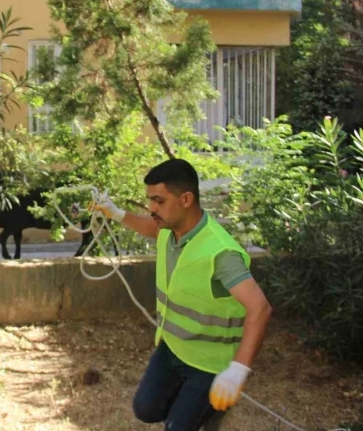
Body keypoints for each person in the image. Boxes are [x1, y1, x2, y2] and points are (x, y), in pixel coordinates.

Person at [93, 158, 272, 431]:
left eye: (159, 201)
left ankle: (201, 412)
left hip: (209, 363)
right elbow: (151, 227)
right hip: (173, 347)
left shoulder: (221, 252)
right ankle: (193, 411)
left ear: (186, 199)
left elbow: (260, 308)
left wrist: (238, 369)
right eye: (150, 200)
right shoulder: (169, 229)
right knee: (146, 409)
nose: (151, 208)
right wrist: (116, 214)